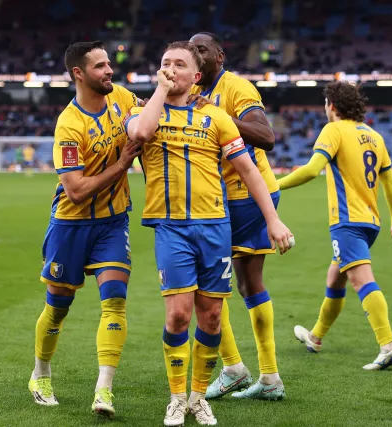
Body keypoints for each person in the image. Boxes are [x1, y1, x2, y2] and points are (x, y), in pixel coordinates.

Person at [125, 41, 293, 426]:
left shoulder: (215, 117)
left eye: (179, 65)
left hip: (216, 225)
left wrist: (273, 220)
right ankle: (176, 397)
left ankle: (198, 397)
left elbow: (249, 169)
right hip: (171, 227)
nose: (171, 69)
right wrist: (161, 90)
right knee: (178, 317)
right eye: (165, 63)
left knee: (212, 316)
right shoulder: (143, 111)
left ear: (196, 76)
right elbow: (143, 132)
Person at [30, 41, 142, 418]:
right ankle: (40, 374)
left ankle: (103, 390)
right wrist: (122, 164)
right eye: (100, 66)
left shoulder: (121, 97)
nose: (109, 70)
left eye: (109, 63)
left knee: (115, 300)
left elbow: (149, 114)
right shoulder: (69, 125)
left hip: (113, 221)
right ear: (79, 73)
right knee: (58, 307)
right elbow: (76, 191)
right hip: (71, 225)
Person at [278, 81, 392, 370]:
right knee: (335, 278)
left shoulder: (334, 130)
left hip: (347, 222)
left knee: (361, 280)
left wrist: (273, 185)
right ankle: (315, 337)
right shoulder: (375, 136)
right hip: (371, 223)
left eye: (326, 103)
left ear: (332, 105)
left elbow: (312, 169)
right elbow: (389, 183)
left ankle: (388, 345)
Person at [189, 31, 285, 401]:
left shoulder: (236, 88)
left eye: (202, 49)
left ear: (220, 56)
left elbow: (265, 135)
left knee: (207, 284)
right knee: (246, 284)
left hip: (246, 197)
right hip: (230, 196)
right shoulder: (194, 92)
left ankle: (234, 368)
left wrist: (217, 116)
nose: (196, 53)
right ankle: (268, 377)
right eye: (191, 49)